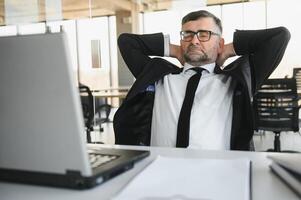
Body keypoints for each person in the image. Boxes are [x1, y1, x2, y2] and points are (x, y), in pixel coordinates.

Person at [113, 10, 290, 151]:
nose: (194, 41)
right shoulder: (160, 76)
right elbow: (127, 42)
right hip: (159, 172)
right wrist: (175, 51)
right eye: (187, 35)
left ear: (219, 43)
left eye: (204, 34)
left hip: (217, 177)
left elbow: (279, 37)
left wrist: (228, 50)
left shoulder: (236, 79)